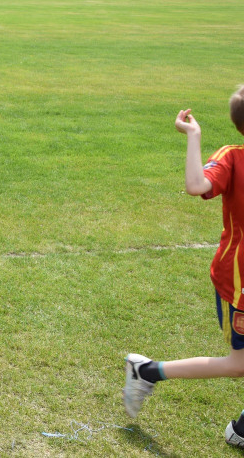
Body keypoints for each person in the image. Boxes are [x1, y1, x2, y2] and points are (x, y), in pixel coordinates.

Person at [123, 87, 244, 448]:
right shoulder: (233, 158)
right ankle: (147, 371)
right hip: (240, 282)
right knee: (239, 364)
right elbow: (196, 185)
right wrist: (194, 135)